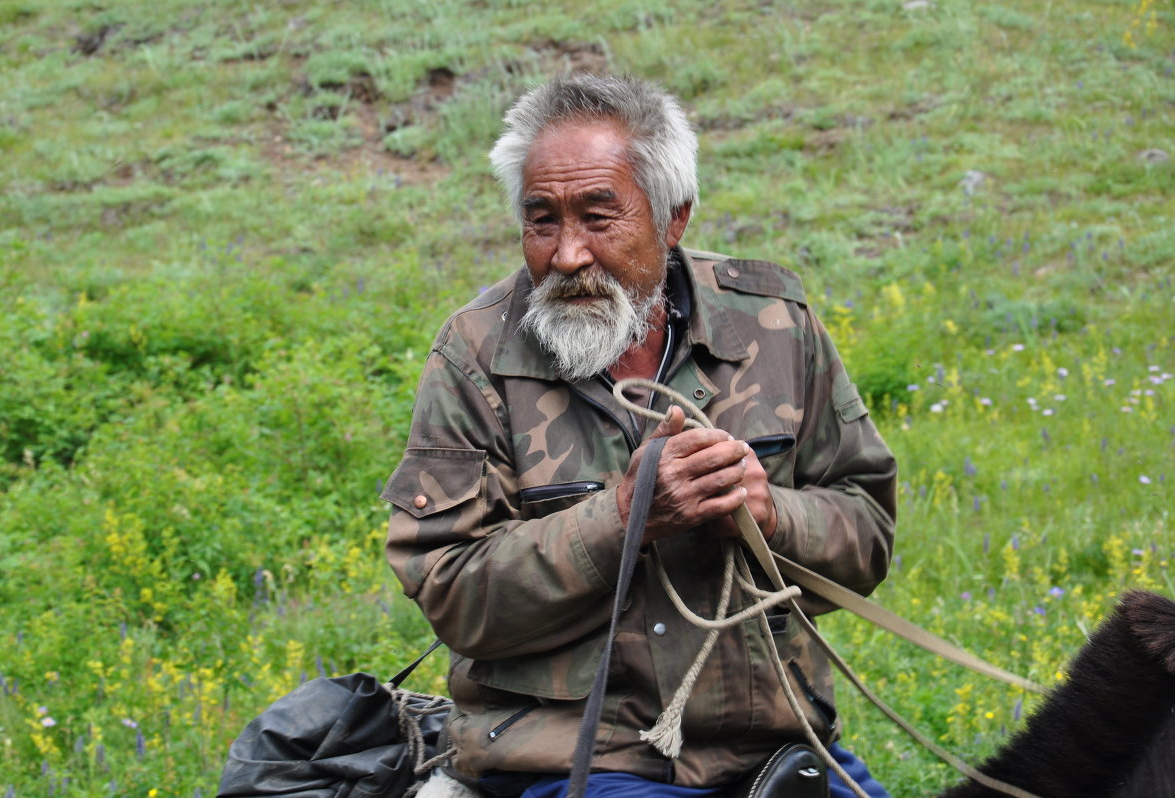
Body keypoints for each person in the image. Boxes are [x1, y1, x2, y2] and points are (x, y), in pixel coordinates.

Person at [383, 74, 897, 798]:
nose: (566, 256)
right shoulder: (476, 355)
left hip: (776, 750)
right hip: (577, 761)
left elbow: (868, 532)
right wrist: (623, 521)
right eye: (542, 221)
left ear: (673, 218)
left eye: (599, 218)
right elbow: (452, 595)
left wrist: (772, 513)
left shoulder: (774, 324)